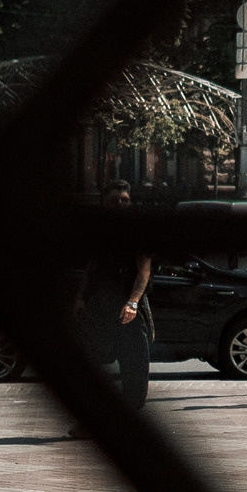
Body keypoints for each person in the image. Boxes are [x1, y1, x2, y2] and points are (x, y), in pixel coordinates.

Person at [71, 180, 152, 431]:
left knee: (134, 369)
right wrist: (80, 298)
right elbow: (91, 267)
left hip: (127, 307)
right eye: (114, 200)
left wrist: (133, 302)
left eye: (124, 200)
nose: (120, 204)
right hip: (98, 306)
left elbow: (144, 270)